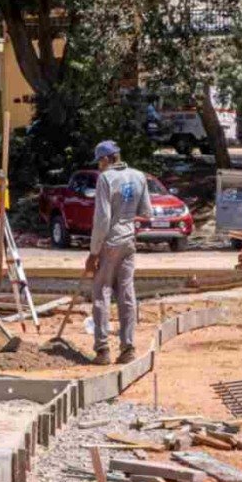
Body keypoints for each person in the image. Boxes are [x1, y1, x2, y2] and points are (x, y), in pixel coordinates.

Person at [86, 140, 153, 365]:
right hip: (128, 241)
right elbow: (147, 213)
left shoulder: (106, 179)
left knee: (101, 293)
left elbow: (102, 219)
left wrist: (93, 253)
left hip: (110, 242)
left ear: (107, 158)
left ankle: (103, 349)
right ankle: (128, 348)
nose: (98, 166)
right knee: (126, 295)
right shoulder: (138, 176)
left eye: (100, 161)